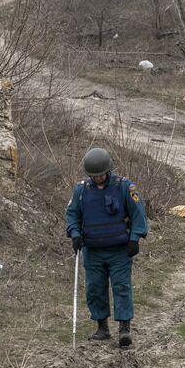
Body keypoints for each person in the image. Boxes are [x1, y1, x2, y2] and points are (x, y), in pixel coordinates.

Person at [65, 147, 148, 349]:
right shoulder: (82, 190)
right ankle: (102, 327)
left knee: (121, 287)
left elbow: (138, 214)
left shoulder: (124, 187)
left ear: (108, 170)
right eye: (94, 176)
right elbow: (72, 214)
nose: (98, 178)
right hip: (93, 250)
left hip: (119, 250)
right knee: (95, 289)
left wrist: (135, 238)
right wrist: (75, 234)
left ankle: (124, 329)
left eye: (101, 174)